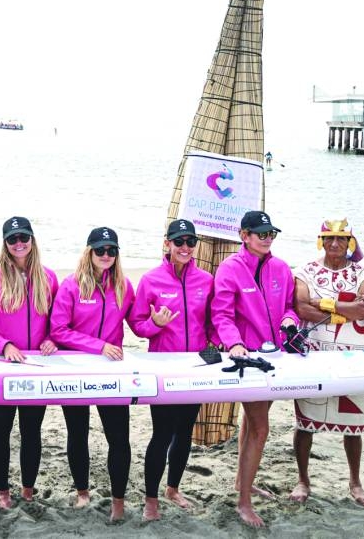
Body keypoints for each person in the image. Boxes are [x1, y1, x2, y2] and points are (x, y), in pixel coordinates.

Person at [210, 210, 297, 528]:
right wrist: (233, 343)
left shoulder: (281, 268)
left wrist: (290, 320)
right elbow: (221, 314)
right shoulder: (230, 269)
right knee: (261, 428)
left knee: (253, 419)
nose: (267, 238)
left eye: (271, 233)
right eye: (261, 233)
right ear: (243, 235)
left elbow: (289, 306)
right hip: (247, 360)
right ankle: (244, 502)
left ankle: (241, 484)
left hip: (276, 358)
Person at [128, 218, 214, 521]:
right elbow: (137, 325)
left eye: (191, 242)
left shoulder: (206, 279)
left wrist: (215, 345)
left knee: (185, 432)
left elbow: (212, 322)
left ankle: (173, 488)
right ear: (167, 244)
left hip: (194, 368)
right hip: (163, 369)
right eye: (179, 242)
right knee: (162, 433)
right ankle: (151, 499)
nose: (186, 247)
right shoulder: (151, 280)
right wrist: (156, 325)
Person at [288, 218, 364, 507]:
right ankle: (303, 479)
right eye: (330, 238)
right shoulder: (306, 271)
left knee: (355, 423)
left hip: (355, 353)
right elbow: (301, 306)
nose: (335, 244)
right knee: (306, 422)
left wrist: (325, 304)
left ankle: (355, 481)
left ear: (350, 242)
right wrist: (346, 311)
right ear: (321, 240)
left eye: (342, 238)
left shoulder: (362, 270)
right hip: (315, 351)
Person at [0, 216, 59, 509]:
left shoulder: (48, 278)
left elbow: (58, 323)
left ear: (32, 240)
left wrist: (52, 340)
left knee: (32, 430)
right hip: (4, 367)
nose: (19, 244)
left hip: (37, 368)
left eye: (24, 238)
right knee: (2, 429)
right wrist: (4, 344)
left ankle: (28, 489)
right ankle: (3, 488)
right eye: (13, 239)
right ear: (6, 244)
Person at [51, 226, 135, 521]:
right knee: (78, 432)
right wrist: (99, 346)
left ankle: (119, 503)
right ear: (89, 252)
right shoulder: (72, 285)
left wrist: (158, 323)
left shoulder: (124, 286)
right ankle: (82, 492)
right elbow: (58, 330)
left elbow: (139, 325)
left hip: (112, 373)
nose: (106, 255)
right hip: (76, 371)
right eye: (100, 250)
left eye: (112, 250)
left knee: (119, 439)